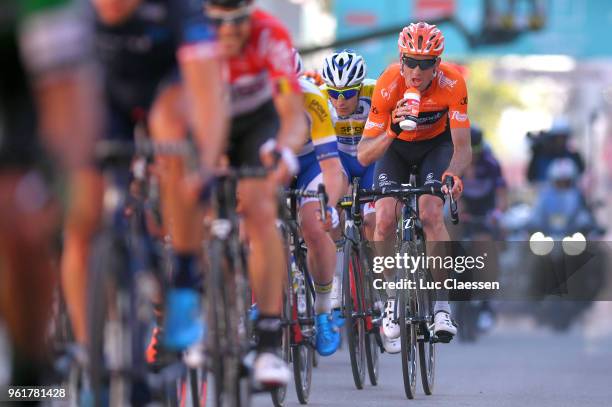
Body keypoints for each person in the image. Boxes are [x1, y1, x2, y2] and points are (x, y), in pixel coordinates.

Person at [61, 0, 226, 366]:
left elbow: (207, 97)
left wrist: (206, 165)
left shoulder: (181, 9)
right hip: (105, 96)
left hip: (167, 87)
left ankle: (184, 279)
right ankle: (90, 359)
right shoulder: (69, 11)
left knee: (174, 133)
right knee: (80, 220)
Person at [204, 0, 307, 387]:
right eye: (220, 23)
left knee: (261, 207)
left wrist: (282, 150)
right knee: (191, 196)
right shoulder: (191, 31)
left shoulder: (270, 34)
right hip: (208, 115)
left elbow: (292, 114)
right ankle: (197, 303)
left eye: (239, 21)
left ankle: (266, 340)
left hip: (256, 122)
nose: (230, 31)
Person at [0, 0, 100, 385]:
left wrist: (49, 186)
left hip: (30, 86)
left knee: (21, 210)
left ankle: (29, 370)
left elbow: (66, 105)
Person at [357, 22, 471, 352]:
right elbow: (365, 154)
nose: (416, 72)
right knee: (385, 219)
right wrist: (391, 129)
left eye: (425, 64)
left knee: (431, 213)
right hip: (395, 148)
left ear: (438, 64)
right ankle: (391, 299)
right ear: (401, 59)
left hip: (436, 149)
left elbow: (462, 147)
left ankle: (441, 309)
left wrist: (452, 173)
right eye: (410, 62)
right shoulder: (388, 84)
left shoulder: (453, 83)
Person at [292, 49, 347, 356]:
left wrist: (329, 206)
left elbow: (331, 167)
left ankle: (324, 310)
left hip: (312, 163)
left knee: (314, 226)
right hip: (272, 163)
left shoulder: (313, 98)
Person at [460, 125, 508, 239]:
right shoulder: (456, 163)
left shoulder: (491, 164)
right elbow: (452, 196)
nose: (472, 157)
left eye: (475, 153)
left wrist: (497, 214)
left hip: (487, 209)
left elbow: (502, 195)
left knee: (492, 235)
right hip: (466, 208)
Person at [526, 118, 585, 184]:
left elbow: (581, 177)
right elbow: (531, 178)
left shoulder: (574, 156)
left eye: (563, 137)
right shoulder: (540, 156)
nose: (560, 141)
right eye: (558, 138)